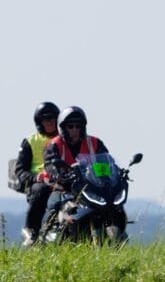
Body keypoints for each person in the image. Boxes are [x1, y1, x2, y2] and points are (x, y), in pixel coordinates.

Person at [42, 106, 110, 224]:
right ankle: (45, 234)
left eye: (78, 126)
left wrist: (106, 177)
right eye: (70, 126)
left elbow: (104, 163)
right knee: (54, 204)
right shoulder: (54, 145)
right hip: (62, 187)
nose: (75, 129)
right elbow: (50, 165)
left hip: (90, 187)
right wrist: (60, 175)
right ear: (63, 128)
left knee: (112, 204)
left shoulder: (94, 143)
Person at [15, 102, 60, 246]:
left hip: (62, 179)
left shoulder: (65, 139)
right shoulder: (30, 141)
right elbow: (20, 171)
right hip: (40, 182)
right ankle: (31, 230)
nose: (51, 122)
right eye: (47, 119)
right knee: (40, 190)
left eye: (54, 119)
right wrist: (35, 177)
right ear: (39, 122)